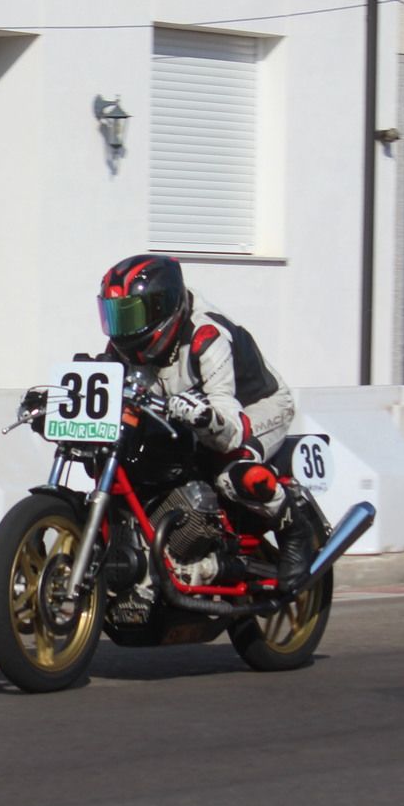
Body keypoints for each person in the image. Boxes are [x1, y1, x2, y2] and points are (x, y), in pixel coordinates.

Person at [95, 254, 314, 593]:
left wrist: (205, 416)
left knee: (234, 474)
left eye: (132, 315)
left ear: (160, 309)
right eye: (116, 317)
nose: (123, 329)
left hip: (256, 406)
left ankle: (294, 530)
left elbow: (231, 424)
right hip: (181, 408)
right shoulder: (123, 346)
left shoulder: (207, 337)